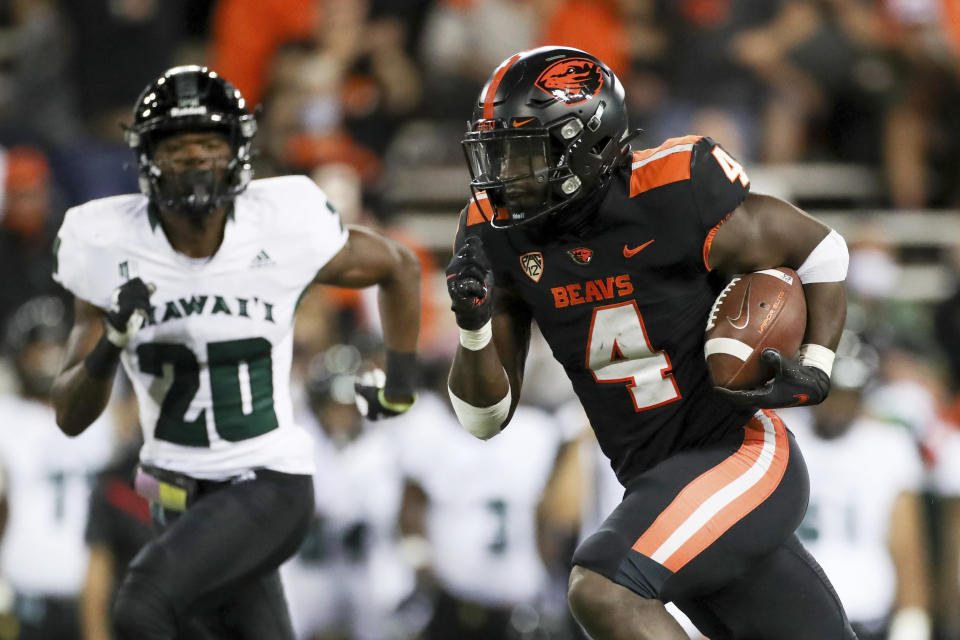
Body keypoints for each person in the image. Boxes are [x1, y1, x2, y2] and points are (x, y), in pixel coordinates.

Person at [445, 47, 854, 639]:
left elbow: (821, 250)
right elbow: (485, 418)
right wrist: (473, 327)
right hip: (655, 480)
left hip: (737, 455)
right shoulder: (495, 234)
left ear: (583, 142)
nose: (505, 173)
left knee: (605, 588)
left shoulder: (671, 189)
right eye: (497, 151)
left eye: (524, 151)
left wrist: (815, 365)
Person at [49, 65, 421, 640]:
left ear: (238, 151)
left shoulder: (280, 222)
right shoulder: (103, 244)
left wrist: (400, 383)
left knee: (141, 606)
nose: (196, 158)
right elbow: (71, 417)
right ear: (148, 157)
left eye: (209, 143)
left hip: (267, 482)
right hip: (174, 494)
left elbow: (397, 266)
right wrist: (110, 347)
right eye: (177, 146)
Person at [785, 335, 931, 640]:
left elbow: (905, 542)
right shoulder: (780, 435)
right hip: (790, 611)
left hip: (866, 614)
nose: (838, 406)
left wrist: (912, 615)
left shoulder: (887, 445)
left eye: (848, 394)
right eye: (831, 394)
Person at [0, 296, 116, 640]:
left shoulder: (103, 420)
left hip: (94, 604)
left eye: (56, 344)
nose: (49, 355)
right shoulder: (6, 417)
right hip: (24, 604)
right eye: (39, 345)